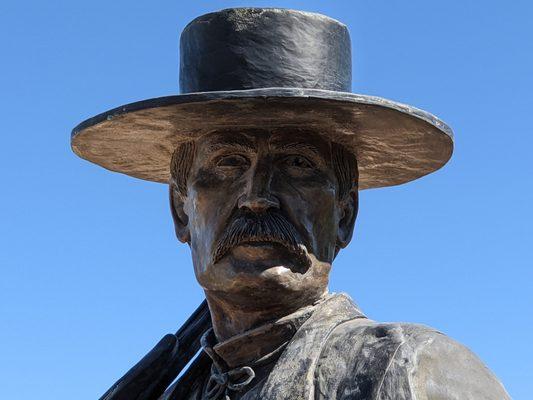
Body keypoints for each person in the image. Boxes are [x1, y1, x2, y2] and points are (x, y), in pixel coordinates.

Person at [72, 8, 510, 400]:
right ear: (180, 210)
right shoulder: (170, 386)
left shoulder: (413, 372)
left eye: (298, 164)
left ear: (345, 215)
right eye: (228, 164)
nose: (257, 198)